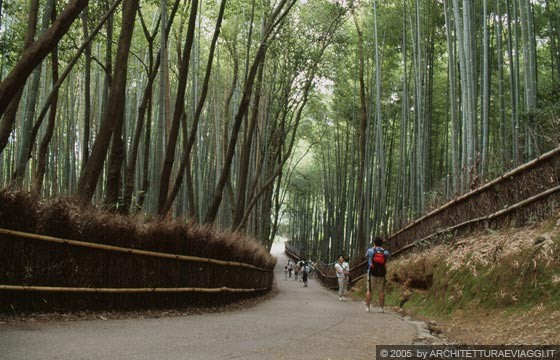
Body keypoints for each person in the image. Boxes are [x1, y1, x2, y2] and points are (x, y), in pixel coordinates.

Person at [365, 237, 390, 313]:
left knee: (369, 290)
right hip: (381, 274)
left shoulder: (370, 251)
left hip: (371, 273)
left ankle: (368, 307)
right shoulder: (385, 252)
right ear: (382, 244)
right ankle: (381, 308)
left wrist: (373, 247)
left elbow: (366, 255)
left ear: (374, 243)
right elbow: (388, 257)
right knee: (381, 291)